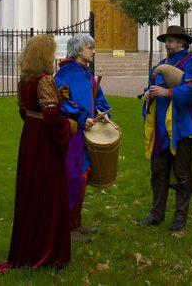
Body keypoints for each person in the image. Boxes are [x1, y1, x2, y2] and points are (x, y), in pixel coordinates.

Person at [0, 35, 74, 273]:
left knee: (31, 191)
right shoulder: (45, 80)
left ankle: (28, 247)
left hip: (30, 138)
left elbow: (23, 110)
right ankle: (47, 252)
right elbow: (49, 116)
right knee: (48, 192)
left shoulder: (24, 80)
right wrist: (68, 126)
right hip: (45, 143)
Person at [140, 25, 192, 231]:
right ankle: (156, 214)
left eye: (170, 41)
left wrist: (168, 93)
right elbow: (154, 85)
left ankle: (180, 217)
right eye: (166, 41)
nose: (167, 45)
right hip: (162, 129)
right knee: (158, 171)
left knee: (182, 173)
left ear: (182, 43)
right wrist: (149, 94)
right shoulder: (162, 64)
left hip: (183, 126)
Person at [55, 33, 111, 241]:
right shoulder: (65, 73)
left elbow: (99, 98)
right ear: (79, 51)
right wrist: (81, 118)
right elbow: (61, 101)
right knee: (73, 177)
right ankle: (68, 228)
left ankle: (75, 222)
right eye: (90, 47)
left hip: (87, 133)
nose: (94, 51)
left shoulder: (86, 73)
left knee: (82, 177)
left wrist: (102, 113)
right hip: (72, 135)